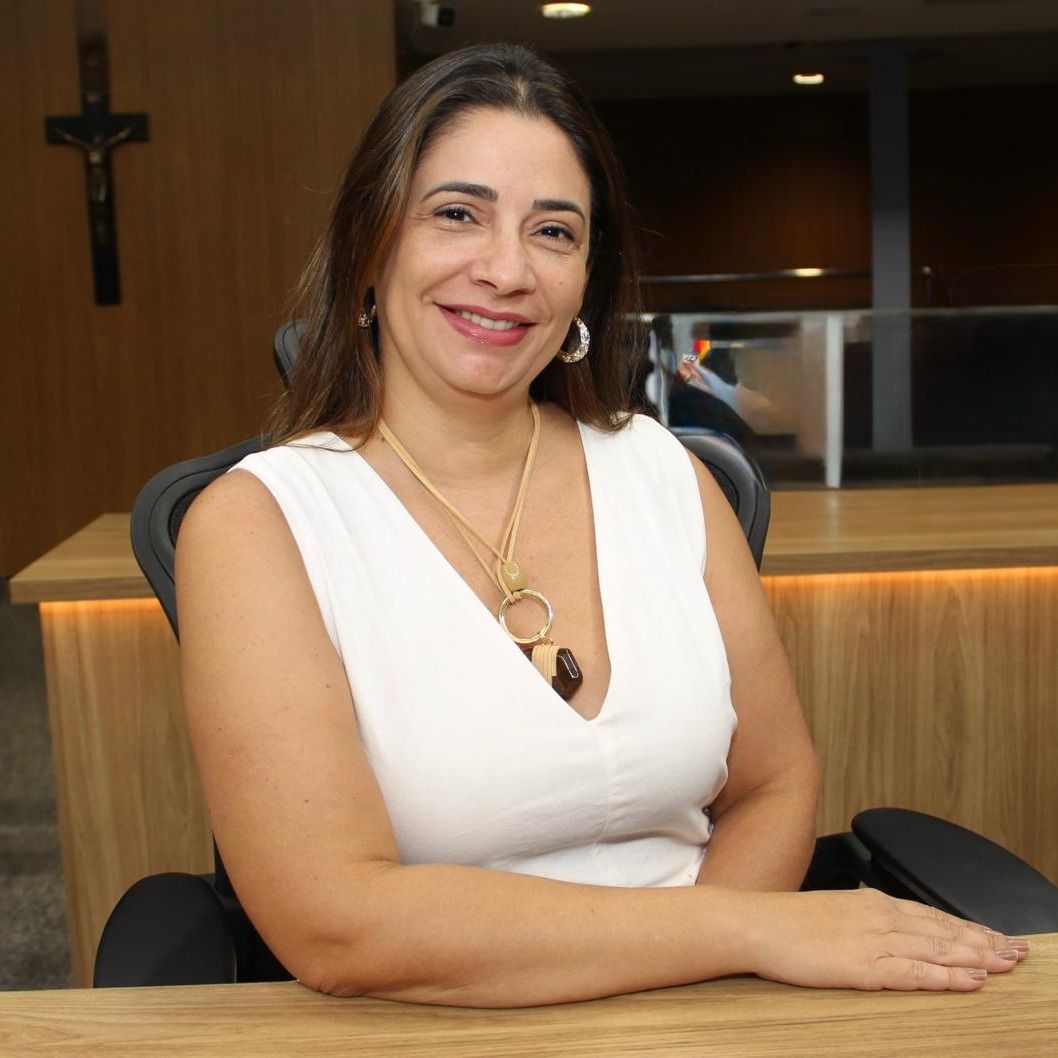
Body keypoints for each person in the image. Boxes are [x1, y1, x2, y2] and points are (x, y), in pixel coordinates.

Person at [175, 43, 1028, 1006]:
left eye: (554, 231)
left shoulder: (664, 473)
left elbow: (774, 783)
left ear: (588, 277)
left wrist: (697, 990)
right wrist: (744, 930)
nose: (507, 270)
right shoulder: (257, 523)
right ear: (370, 246)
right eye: (457, 214)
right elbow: (337, 922)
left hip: (713, 1011)